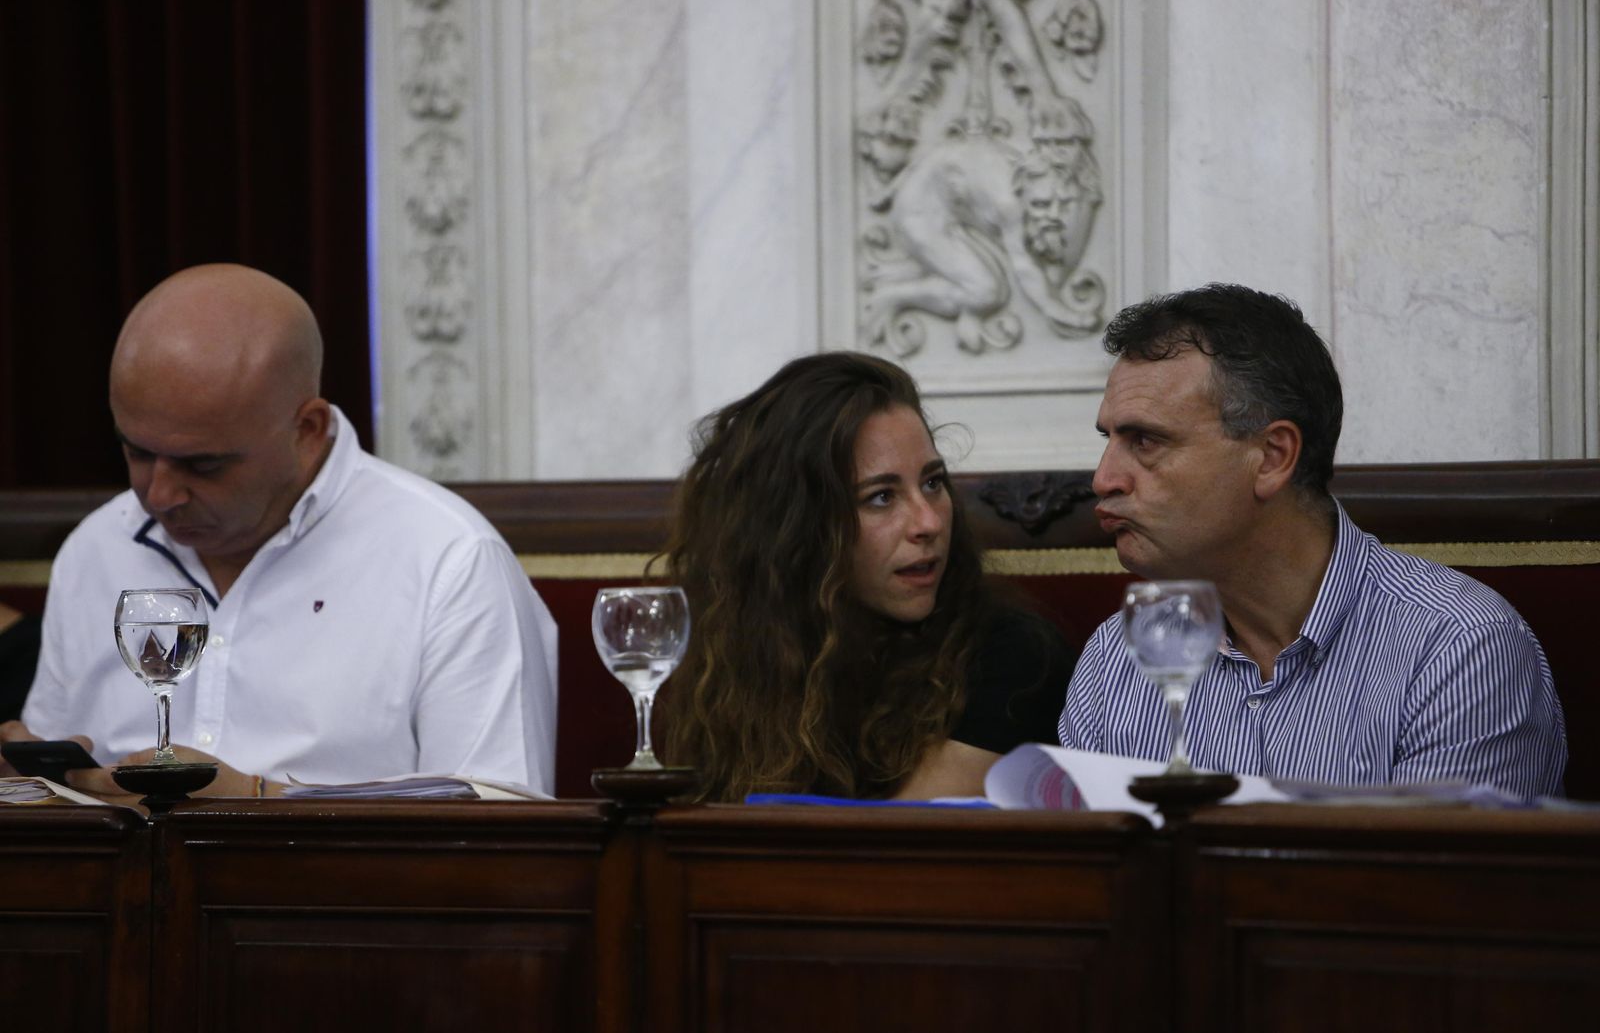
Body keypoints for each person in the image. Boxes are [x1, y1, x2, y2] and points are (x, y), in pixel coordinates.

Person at [0, 264, 558, 797]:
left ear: (307, 430)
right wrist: (32, 785)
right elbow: (57, 814)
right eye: (137, 452)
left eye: (204, 465)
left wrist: (257, 800)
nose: (159, 495)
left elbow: (502, 828)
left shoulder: (449, 560)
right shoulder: (96, 548)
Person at [1059, 283, 1566, 799]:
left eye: (1145, 441)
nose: (1104, 479)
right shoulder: (1121, 654)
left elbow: (1439, 879)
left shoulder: (1456, 648)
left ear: (1274, 456)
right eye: (1110, 440)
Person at [661, 351, 1074, 802]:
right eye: (881, 497)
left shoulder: (1012, 654)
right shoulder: (736, 659)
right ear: (797, 529)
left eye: (933, 483)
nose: (928, 523)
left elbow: (893, 853)